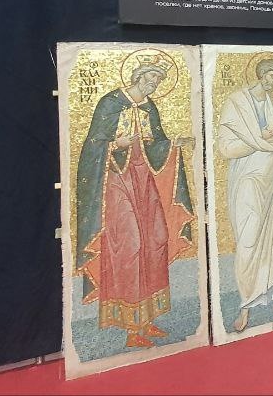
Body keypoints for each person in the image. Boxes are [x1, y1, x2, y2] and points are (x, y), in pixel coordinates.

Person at [74, 56, 195, 349]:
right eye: (150, 78)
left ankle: (147, 318)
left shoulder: (150, 108)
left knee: (155, 239)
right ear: (138, 76)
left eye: (158, 81)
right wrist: (115, 144)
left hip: (144, 180)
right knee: (130, 245)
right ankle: (130, 326)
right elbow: (91, 147)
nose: (154, 84)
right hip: (117, 182)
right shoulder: (110, 103)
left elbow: (157, 145)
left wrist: (174, 144)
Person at [215, 58, 273, 332]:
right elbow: (226, 148)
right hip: (248, 181)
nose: (272, 82)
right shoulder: (236, 103)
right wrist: (262, 140)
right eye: (269, 76)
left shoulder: (269, 103)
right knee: (249, 239)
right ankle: (245, 307)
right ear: (259, 74)